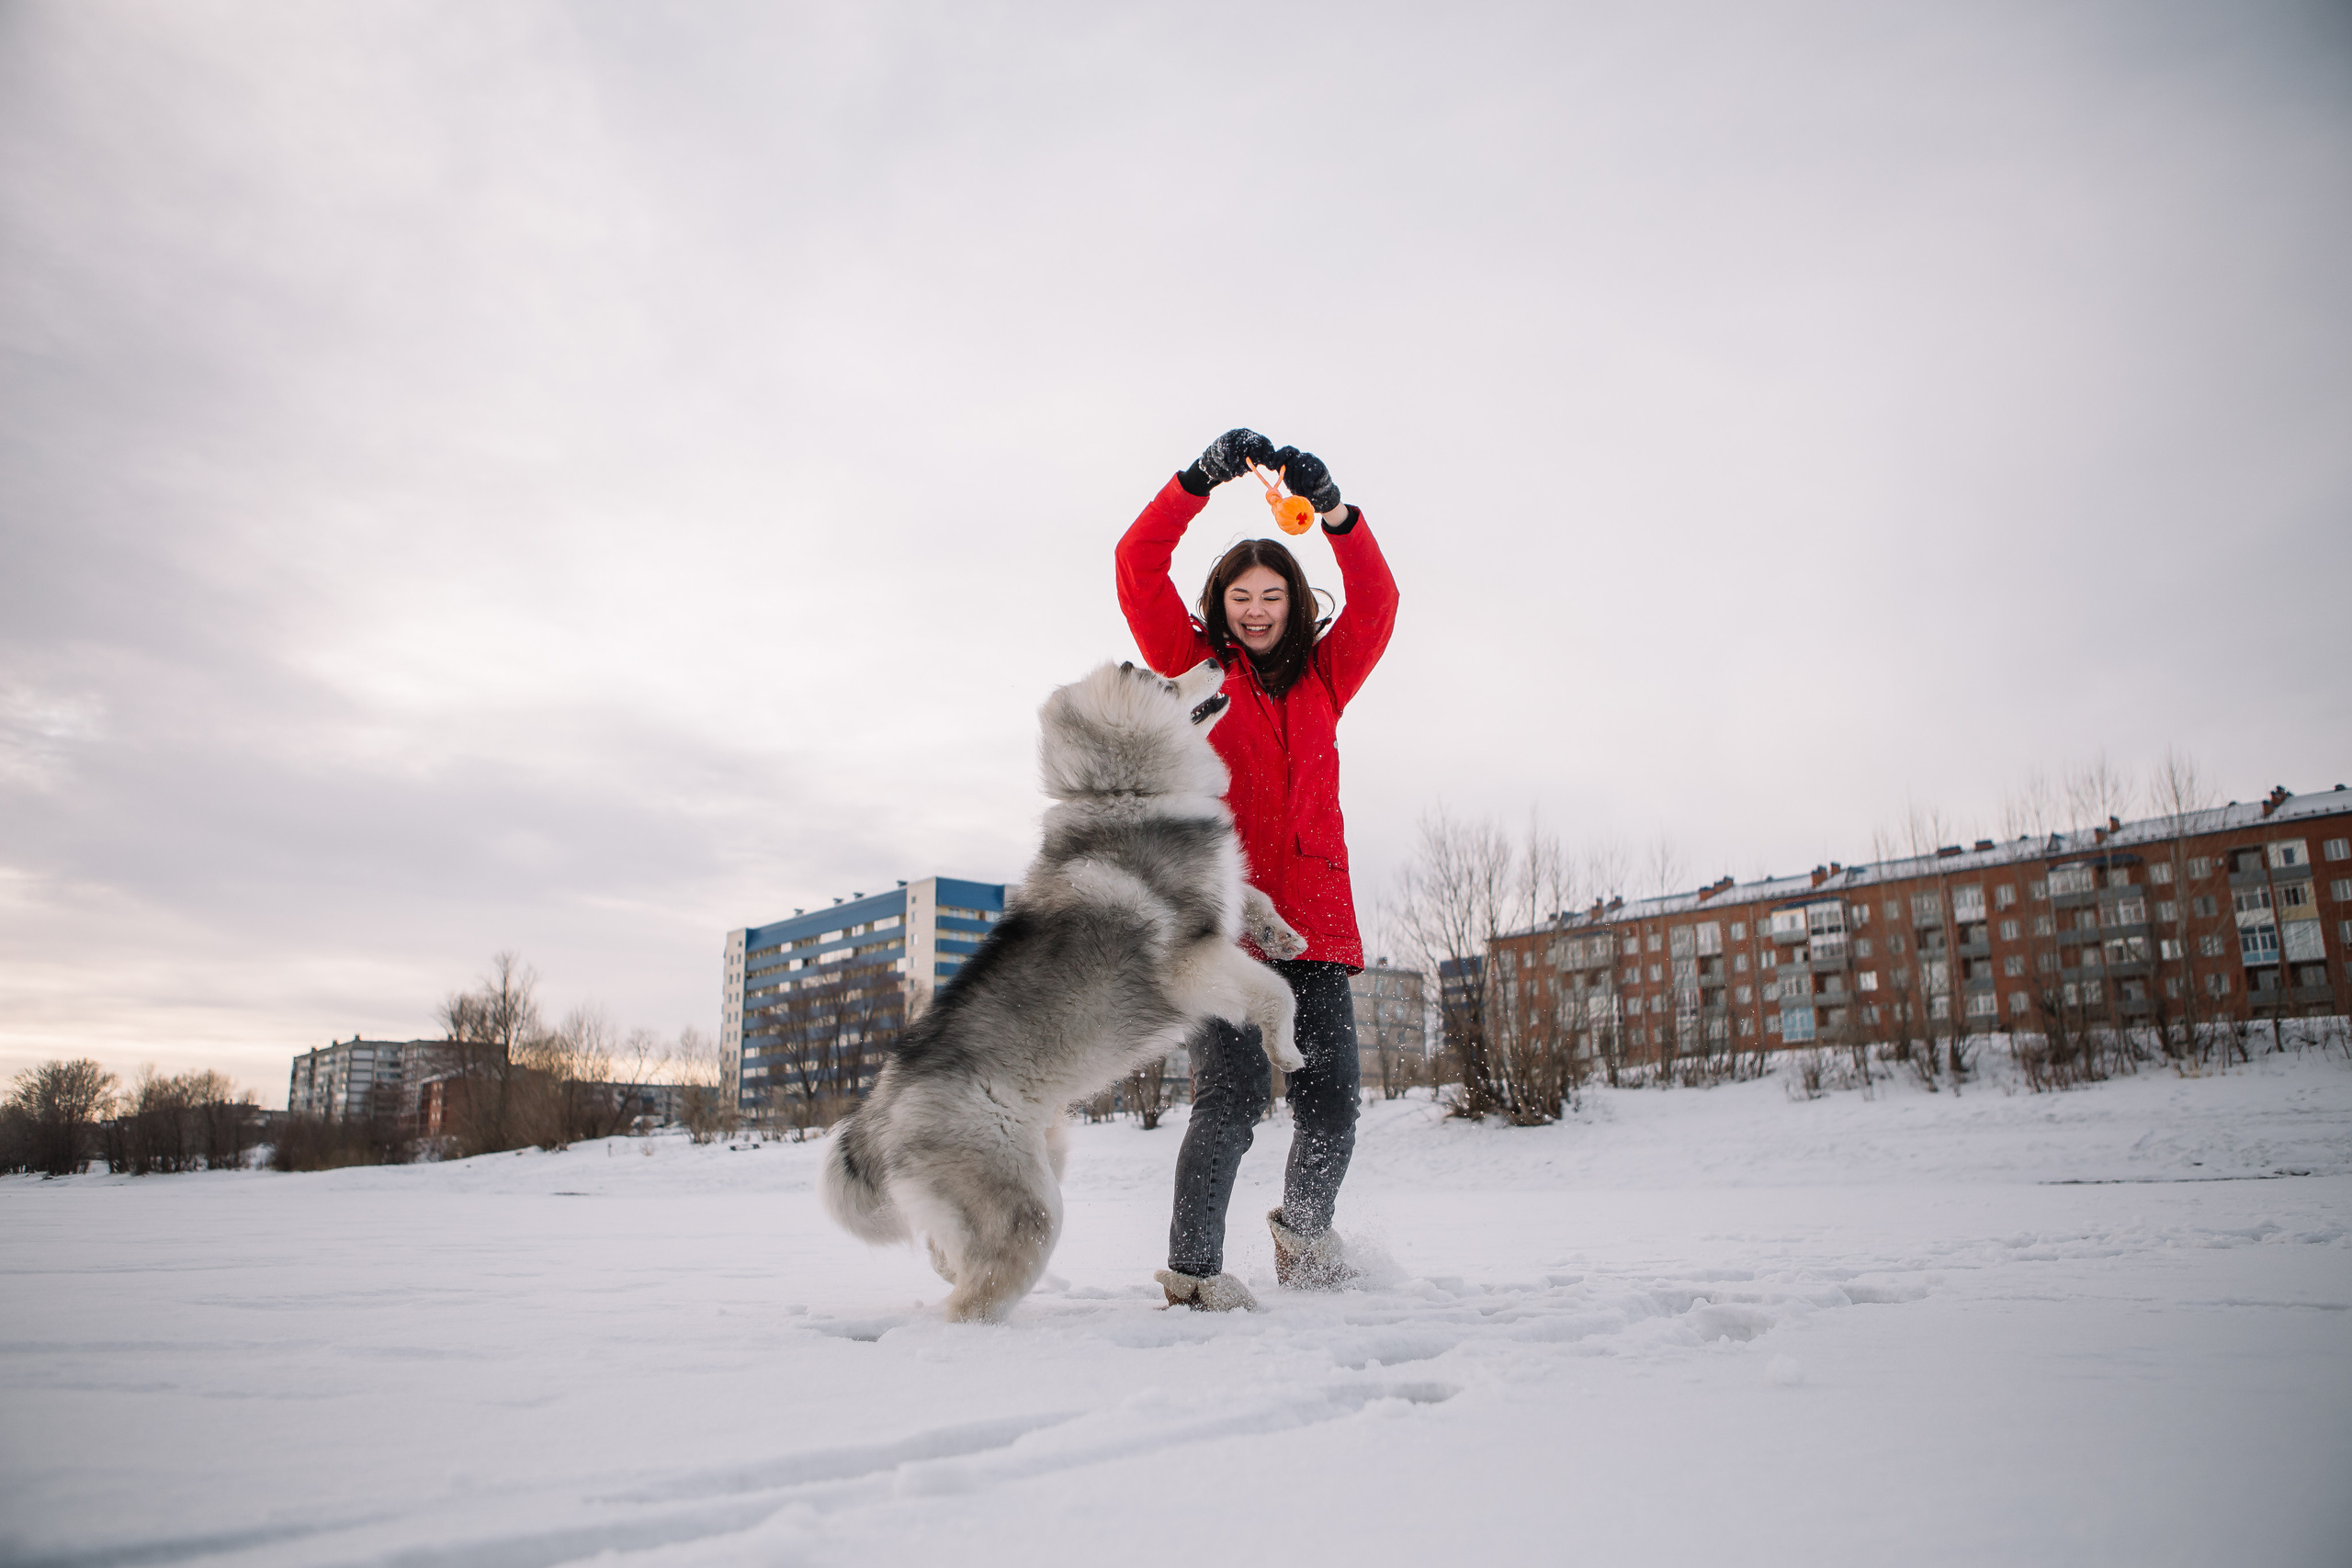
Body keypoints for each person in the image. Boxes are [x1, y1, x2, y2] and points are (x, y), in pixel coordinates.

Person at [1114, 428, 1399, 1310]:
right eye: (1241, 596)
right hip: (1222, 920)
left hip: (1313, 922)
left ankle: (1304, 1240)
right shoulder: (1193, 666)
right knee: (1231, 1099)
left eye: (1272, 594)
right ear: (1221, 602)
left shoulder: (1326, 677)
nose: (1257, 609)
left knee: (1332, 1103)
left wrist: (1337, 513)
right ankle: (1194, 1274)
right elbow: (1136, 563)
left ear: (1294, 601)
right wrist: (1194, 482)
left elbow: (1379, 600)